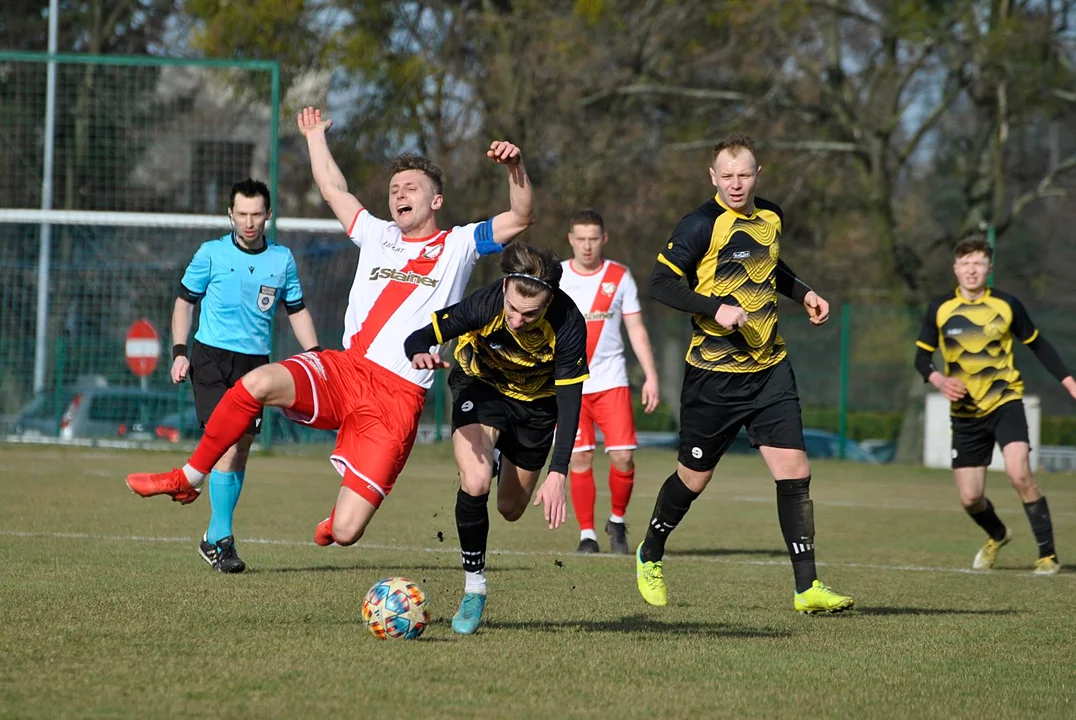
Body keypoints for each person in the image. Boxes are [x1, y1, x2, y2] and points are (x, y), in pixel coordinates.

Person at [126, 106, 536, 550]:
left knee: (344, 533)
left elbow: (521, 215)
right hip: (346, 370)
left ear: (435, 201)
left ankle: (337, 521)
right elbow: (332, 187)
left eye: (411, 187)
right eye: (394, 187)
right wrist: (315, 136)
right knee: (256, 382)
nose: (399, 192)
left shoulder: (459, 245)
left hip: (396, 398)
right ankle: (187, 477)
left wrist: (515, 168)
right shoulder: (376, 234)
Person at [637, 133, 854, 613]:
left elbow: (770, 266)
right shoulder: (699, 224)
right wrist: (714, 308)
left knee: (795, 471)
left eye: (745, 174)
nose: (736, 184)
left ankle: (807, 588)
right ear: (713, 177)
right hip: (713, 376)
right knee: (693, 478)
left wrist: (805, 293)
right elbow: (659, 284)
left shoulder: (771, 215)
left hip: (769, 369)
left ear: (758, 175)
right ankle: (650, 551)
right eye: (727, 176)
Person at [404, 243, 588, 635]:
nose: (519, 321)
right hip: (481, 387)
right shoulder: (484, 304)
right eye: (513, 309)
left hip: (537, 408)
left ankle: (500, 458)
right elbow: (420, 336)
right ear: (505, 287)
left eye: (531, 313)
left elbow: (571, 405)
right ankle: (474, 588)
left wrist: (559, 473)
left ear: (549, 300)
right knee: (474, 480)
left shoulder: (569, 322)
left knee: (510, 508)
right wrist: (420, 352)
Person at [151, 178, 321, 573]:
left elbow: (295, 310)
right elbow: (183, 303)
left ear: (268, 215)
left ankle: (212, 538)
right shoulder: (210, 253)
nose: (249, 222)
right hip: (210, 359)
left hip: (255, 365)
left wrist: (315, 356)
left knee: (241, 449)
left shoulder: (281, 259)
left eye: (256, 214)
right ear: (230, 214)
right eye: (241, 214)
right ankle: (223, 542)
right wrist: (179, 353)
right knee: (226, 444)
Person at [915, 236, 1075, 575]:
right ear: (955, 269)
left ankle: (1047, 554)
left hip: (1005, 402)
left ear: (989, 269)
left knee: (1019, 472)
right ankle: (998, 534)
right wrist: (939, 381)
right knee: (970, 499)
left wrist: (1070, 383)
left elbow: (1039, 346)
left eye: (978, 263)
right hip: (965, 414)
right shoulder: (940, 309)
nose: (972, 269)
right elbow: (921, 359)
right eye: (965, 263)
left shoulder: (1007, 305)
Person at [559, 209, 659, 555]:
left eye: (593, 239)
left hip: (612, 381)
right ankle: (587, 534)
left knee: (623, 457)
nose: (587, 246)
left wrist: (651, 376)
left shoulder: (619, 276)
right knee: (579, 460)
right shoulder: (556, 276)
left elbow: (635, 328)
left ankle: (617, 520)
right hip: (570, 385)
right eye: (580, 239)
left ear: (604, 239)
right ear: (571, 240)